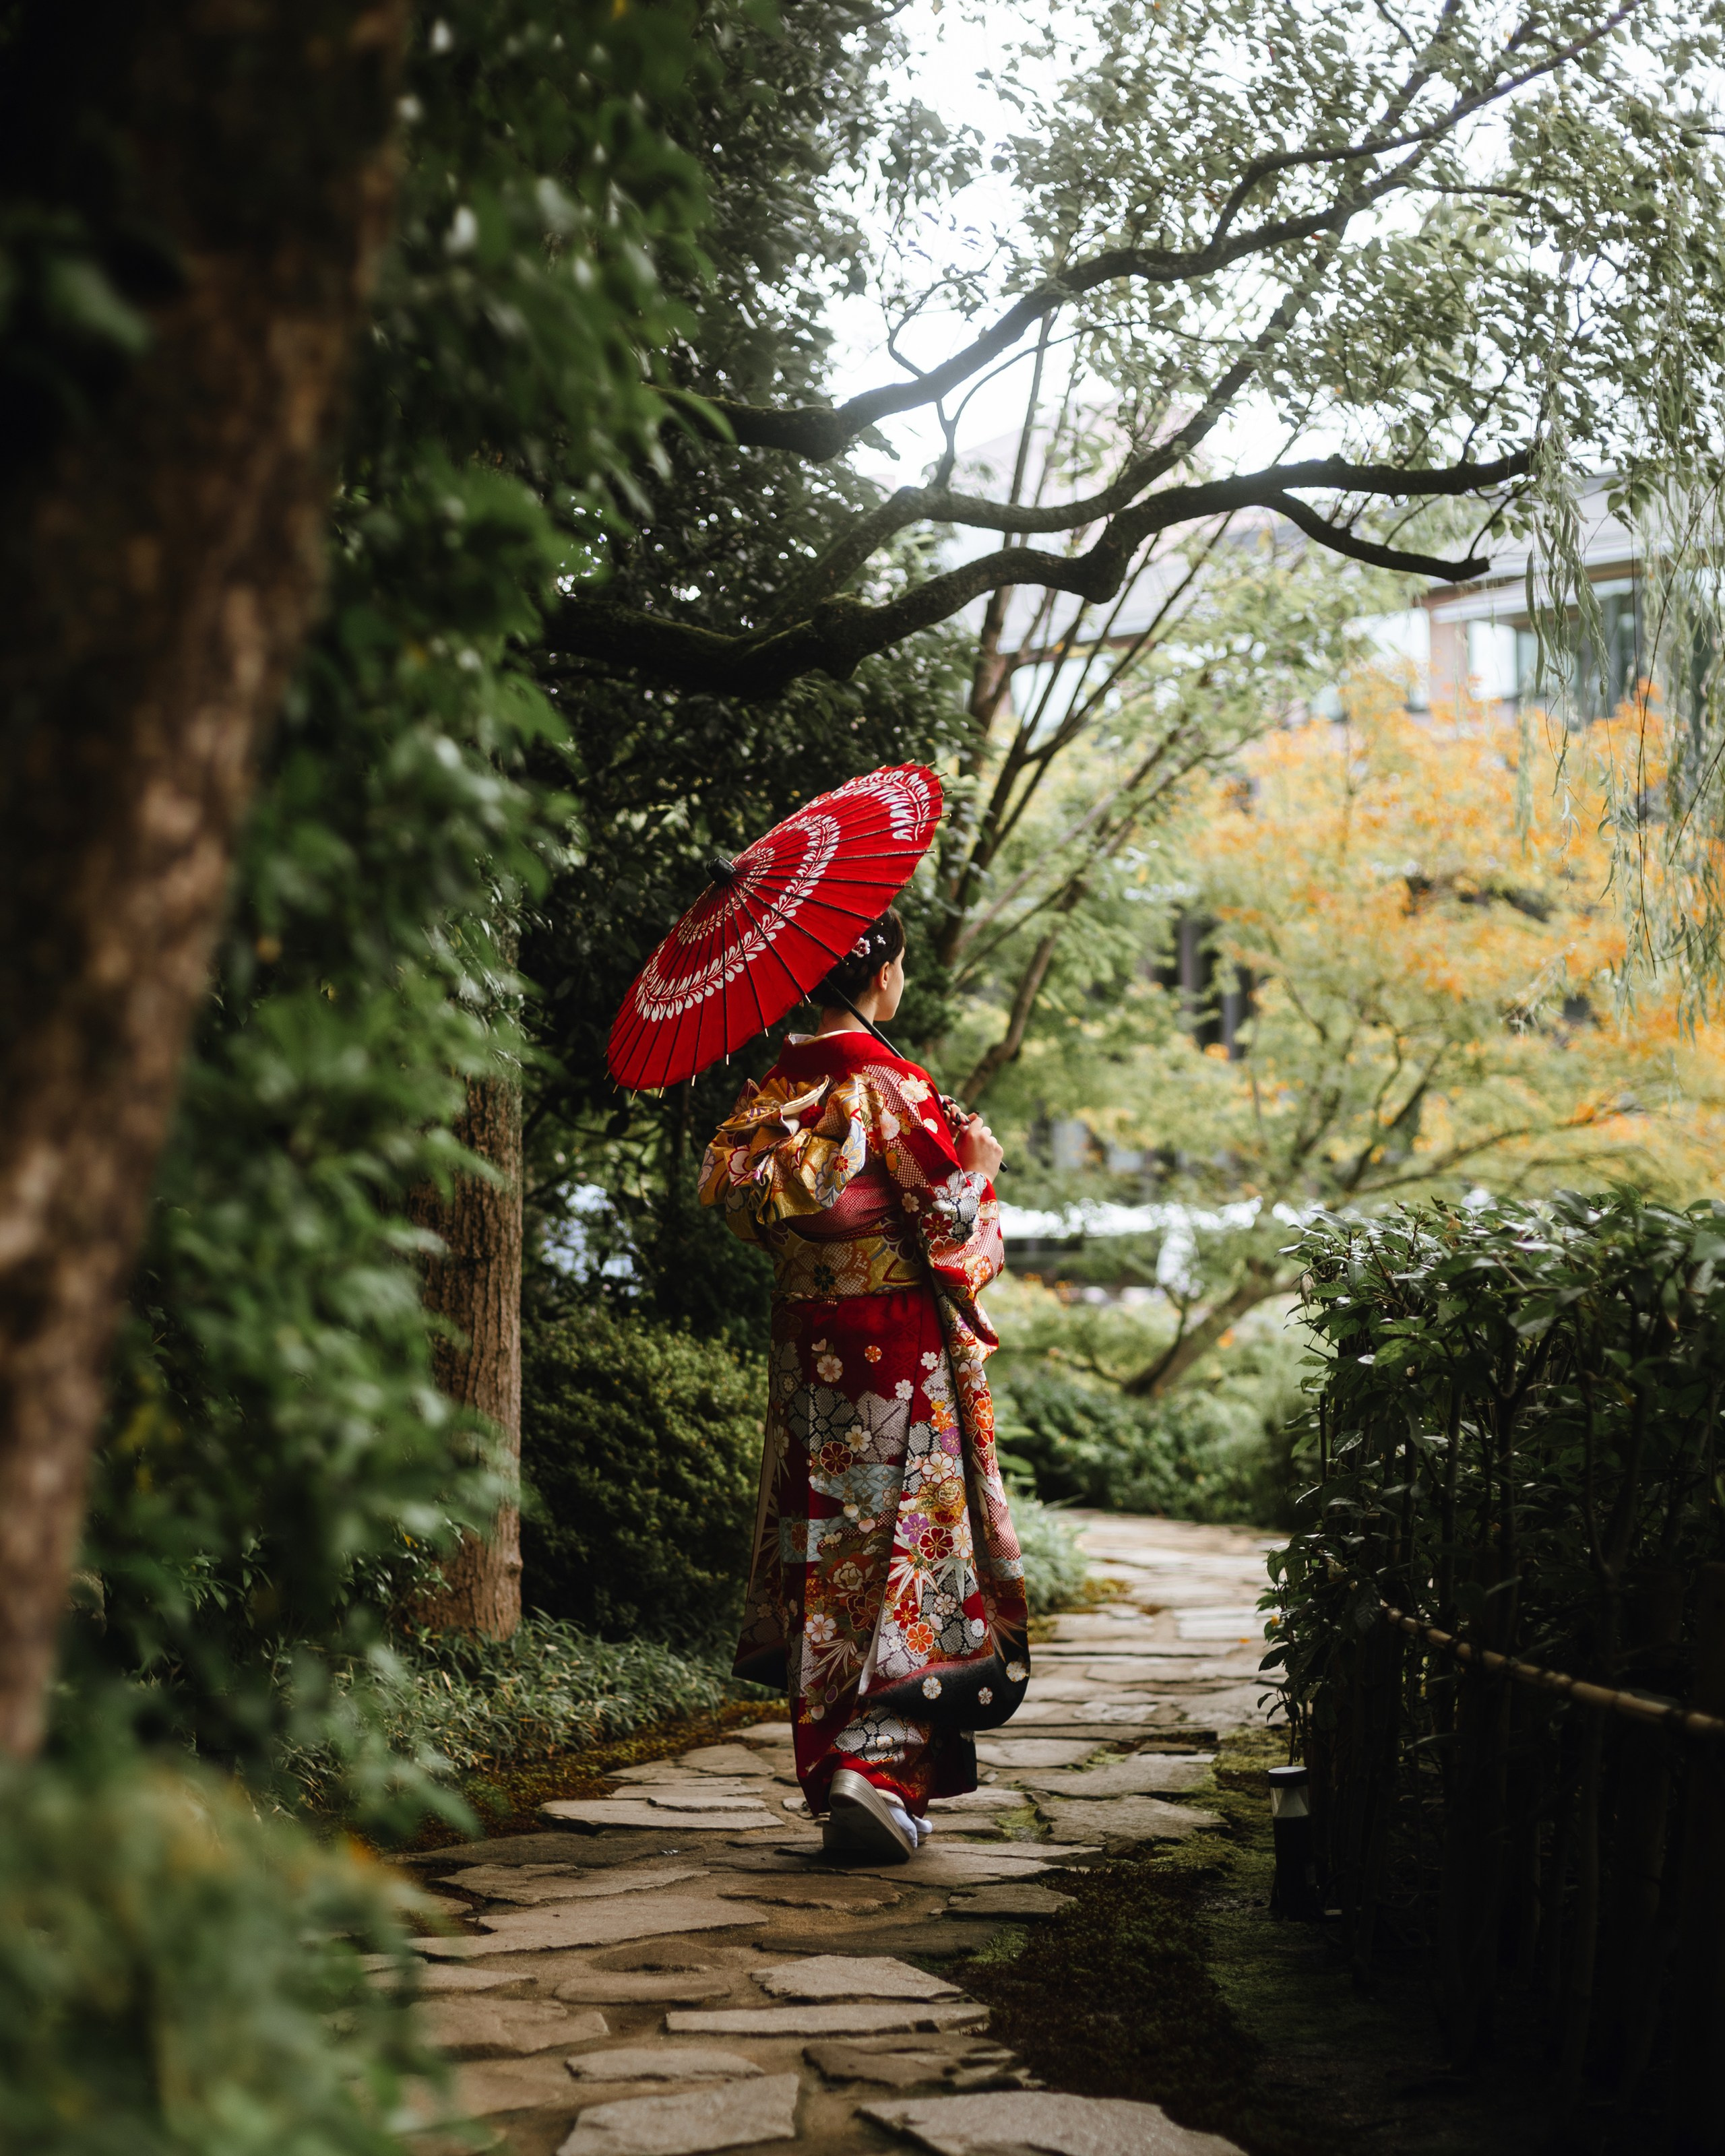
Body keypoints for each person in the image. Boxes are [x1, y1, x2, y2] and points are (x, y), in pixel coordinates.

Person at [697, 908, 1030, 1861]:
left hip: (812, 1357)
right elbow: (948, 1236)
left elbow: (762, 1209)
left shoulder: (777, 1085)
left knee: (826, 1543)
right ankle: (871, 1766)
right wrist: (977, 1170)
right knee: (900, 1556)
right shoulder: (890, 1082)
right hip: (896, 1358)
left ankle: (848, 1764)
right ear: (882, 976)